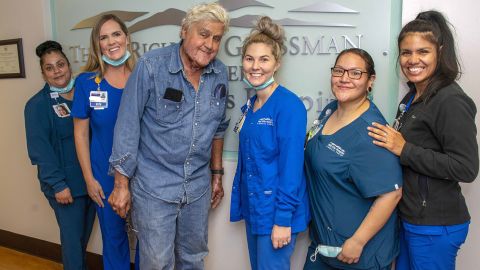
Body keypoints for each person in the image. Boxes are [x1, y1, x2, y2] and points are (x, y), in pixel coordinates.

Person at [107, 3, 230, 269]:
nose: (210, 44)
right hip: (154, 189)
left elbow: (218, 127)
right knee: (157, 263)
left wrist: (217, 174)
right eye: (204, 34)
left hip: (197, 188)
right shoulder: (151, 67)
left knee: (193, 259)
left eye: (217, 38)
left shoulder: (219, 73)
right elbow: (127, 126)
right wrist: (120, 185)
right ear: (184, 31)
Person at [367, 10, 478, 270]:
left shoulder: (450, 100)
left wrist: (404, 149)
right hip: (411, 218)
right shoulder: (412, 97)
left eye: (423, 52)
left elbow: (466, 167)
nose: (413, 60)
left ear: (440, 51)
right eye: (406, 53)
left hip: (435, 225)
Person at [303, 48, 403, 270]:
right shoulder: (329, 111)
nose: (344, 78)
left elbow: (392, 193)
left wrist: (358, 241)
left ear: (370, 80)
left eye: (355, 73)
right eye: (339, 71)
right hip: (323, 246)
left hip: (358, 254)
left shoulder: (372, 132)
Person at [229, 16, 310, 270]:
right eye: (249, 59)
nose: (256, 66)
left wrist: (283, 219)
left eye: (264, 59)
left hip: (277, 213)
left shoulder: (289, 106)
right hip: (256, 210)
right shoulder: (251, 106)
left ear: (277, 64)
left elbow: (291, 168)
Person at [71, 14, 138, 270]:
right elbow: (80, 134)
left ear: (126, 38)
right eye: (103, 37)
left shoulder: (142, 78)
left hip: (142, 175)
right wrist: (89, 179)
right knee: (114, 239)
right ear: (97, 44)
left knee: (148, 239)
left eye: (116, 34)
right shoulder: (87, 83)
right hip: (104, 175)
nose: (111, 41)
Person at [24, 40, 95, 270]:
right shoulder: (37, 105)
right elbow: (39, 150)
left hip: (90, 184)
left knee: (81, 242)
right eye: (50, 68)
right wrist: (57, 185)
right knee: (73, 244)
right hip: (65, 188)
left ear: (68, 65)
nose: (57, 71)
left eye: (60, 64)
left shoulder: (84, 94)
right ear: (43, 73)